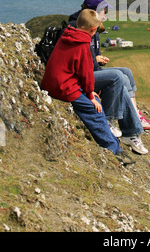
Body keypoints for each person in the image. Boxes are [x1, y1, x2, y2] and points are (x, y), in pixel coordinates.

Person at [41, 9, 144, 164]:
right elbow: (86, 74)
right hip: (63, 86)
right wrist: (90, 94)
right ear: (93, 29)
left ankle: (117, 143)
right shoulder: (82, 44)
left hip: (52, 81)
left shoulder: (69, 33)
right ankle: (115, 151)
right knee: (95, 110)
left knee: (95, 103)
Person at [69, 0, 150, 131]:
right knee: (119, 77)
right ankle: (109, 120)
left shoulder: (92, 27)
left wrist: (98, 59)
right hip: (83, 75)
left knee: (126, 72)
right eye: (103, 11)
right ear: (94, 11)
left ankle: (136, 114)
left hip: (93, 69)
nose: (105, 14)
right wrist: (94, 59)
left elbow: (93, 53)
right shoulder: (78, 27)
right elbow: (76, 57)